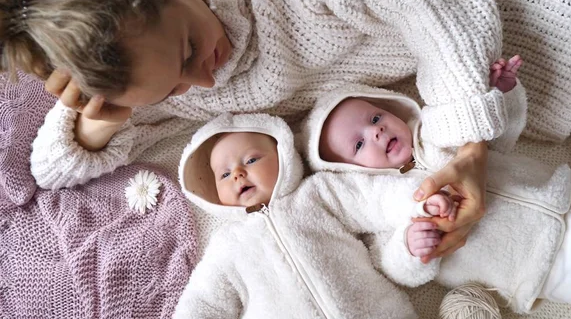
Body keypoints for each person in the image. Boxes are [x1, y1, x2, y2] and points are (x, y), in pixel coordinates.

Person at [1, 0, 514, 263]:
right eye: (173, 89)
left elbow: (439, 2)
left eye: (189, 51)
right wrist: (99, 119)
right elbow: (52, 171)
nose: (203, 80)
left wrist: (471, 149)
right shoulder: (152, 80)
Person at [299, 59, 571, 313]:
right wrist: (412, 245)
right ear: (350, 171)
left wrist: (501, 94)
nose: (375, 131)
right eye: (359, 143)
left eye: (376, 117)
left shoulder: (438, 133)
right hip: (547, 265)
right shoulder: (383, 215)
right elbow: (396, 269)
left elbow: (495, 136)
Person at [175, 112, 445, 318]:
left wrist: (418, 204)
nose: (237, 174)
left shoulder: (318, 193)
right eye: (224, 174)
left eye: (251, 160)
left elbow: (375, 198)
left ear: (282, 155)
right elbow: (204, 301)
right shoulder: (227, 244)